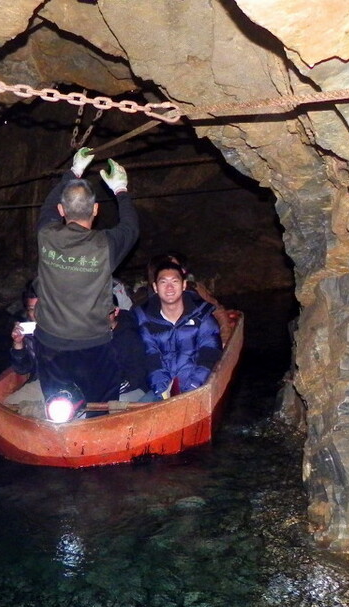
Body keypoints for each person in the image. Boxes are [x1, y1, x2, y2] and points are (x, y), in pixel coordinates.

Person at [33, 147, 139, 416]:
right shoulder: (106, 245)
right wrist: (121, 189)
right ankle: (96, 423)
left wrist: (74, 171)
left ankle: (58, 423)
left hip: (49, 343)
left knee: (56, 400)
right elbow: (130, 227)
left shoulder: (46, 234)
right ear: (95, 209)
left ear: (61, 210)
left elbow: (48, 204)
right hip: (92, 345)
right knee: (101, 404)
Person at [135, 260, 222, 398]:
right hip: (163, 388)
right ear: (155, 287)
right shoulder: (145, 320)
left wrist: (193, 386)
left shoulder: (202, 316)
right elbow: (150, 356)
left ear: (184, 285)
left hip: (198, 387)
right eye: (163, 282)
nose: (169, 287)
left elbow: (209, 353)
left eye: (175, 281)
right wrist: (162, 390)